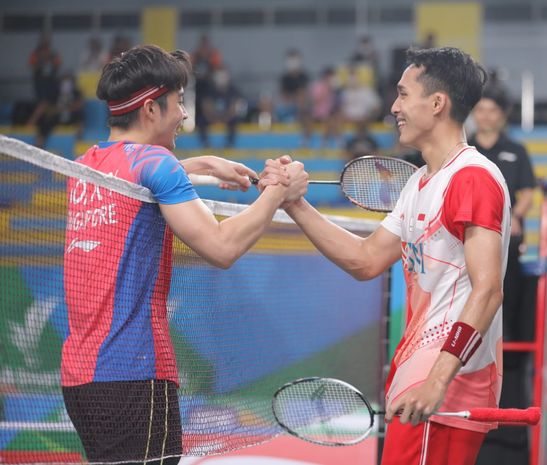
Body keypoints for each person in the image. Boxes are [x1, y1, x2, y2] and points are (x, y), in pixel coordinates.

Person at [61, 44, 307, 465]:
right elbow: (222, 247)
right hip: (134, 372)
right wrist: (277, 194)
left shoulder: (86, 166)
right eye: (178, 102)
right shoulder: (156, 161)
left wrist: (205, 163)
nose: (184, 114)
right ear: (150, 111)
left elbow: (138, 177)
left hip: (81, 378)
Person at [264, 47, 509, 465]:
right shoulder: (418, 183)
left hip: (445, 385)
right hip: (418, 375)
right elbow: (365, 259)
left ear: (437, 103)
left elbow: (487, 292)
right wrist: (294, 204)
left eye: (402, 94)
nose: (393, 106)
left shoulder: (473, 178)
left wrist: (436, 381)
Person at [468, 84, 535, 342]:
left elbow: (527, 192)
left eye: (491, 110)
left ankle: (507, 348)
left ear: (502, 115)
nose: (485, 115)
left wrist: (514, 218)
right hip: (469, 238)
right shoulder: (465, 151)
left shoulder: (517, 151)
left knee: (507, 299)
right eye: (480, 110)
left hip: (508, 240)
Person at [197, 67, 244, 147]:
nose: (221, 79)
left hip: (227, 117)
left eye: (223, 76)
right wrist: (214, 118)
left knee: (234, 121)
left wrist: (225, 118)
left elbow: (234, 108)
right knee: (201, 120)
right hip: (212, 117)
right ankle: (205, 143)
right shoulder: (209, 90)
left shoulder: (233, 90)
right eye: (219, 76)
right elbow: (206, 106)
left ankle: (229, 144)